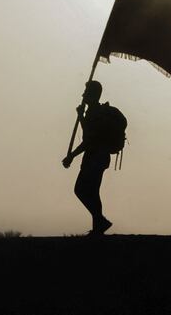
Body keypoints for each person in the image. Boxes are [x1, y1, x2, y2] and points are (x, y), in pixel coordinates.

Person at [62, 80, 114, 235]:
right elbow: (89, 137)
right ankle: (98, 226)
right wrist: (82, 116)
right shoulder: (94, 111)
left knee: (81, 189)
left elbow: (88, 139)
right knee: (92, 191)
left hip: (95, 157)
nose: (83, 94)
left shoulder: (94, 112)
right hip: (99, 157)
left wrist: (71, 156)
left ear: (93, 94)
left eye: (86, 92)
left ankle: (100, 220)